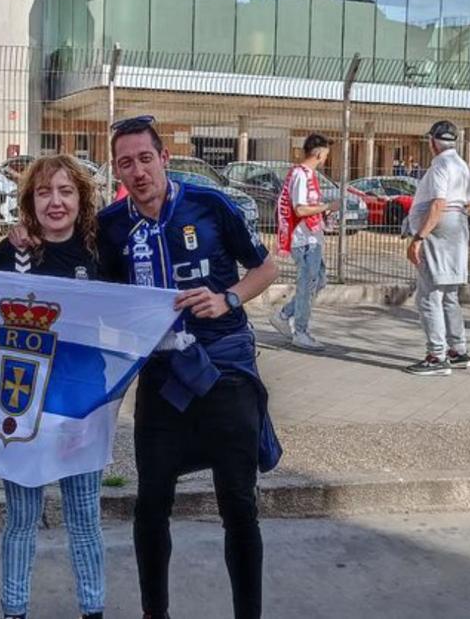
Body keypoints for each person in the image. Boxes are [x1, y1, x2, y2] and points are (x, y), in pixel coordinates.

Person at [96, 115, 281, 619]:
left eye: (145, 158)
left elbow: (266, 267)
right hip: (161, 380)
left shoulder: (211, 205)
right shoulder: (111, 227)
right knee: (151, 506)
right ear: (118, 171)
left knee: (239, 506)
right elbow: (95, 291)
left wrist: (229, 298)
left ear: (165, 159)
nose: (137, 171)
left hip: (225, 369)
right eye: (126, 163)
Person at [0, 154, 106, 619]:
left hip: (83, 403)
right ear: (28, 202)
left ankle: (93, 609)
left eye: (65, 191)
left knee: (84, 518)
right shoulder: (10, 253)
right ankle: (13, 610)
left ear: (81, 198)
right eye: (43, 192)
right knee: (20, 519)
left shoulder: (101, 250)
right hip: (23, 405)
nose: (55, 201)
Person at [403, 121, 470, 376]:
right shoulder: (463, 165)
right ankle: (457, 350)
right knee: (450, 293)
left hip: (438, 228)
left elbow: (438, 204)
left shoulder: (440, 166)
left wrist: (420, 237)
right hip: (458, 227)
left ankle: (437, 355)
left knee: (429, 294)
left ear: (433, 142)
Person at [270, 133, 340, 351]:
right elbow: (299, 208)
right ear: (318, 153)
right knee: (307, 284)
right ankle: (300, 331)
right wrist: (327, 207)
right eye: (326, 153)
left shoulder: (307, 174)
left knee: (317, 282)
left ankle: (284, 315)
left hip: (312, 238)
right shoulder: (302, 175)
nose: (327, 158)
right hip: (305, 240)